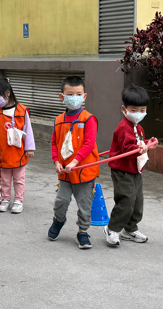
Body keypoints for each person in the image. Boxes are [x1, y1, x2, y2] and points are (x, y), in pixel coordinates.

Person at [48, 76, 98, 249]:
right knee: (61, 201)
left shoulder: (89, 119)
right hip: (65, 173)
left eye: (78, 94)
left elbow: (89, 144)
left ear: (84, 96)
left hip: (84, 172)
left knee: (84, 205)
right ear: (62, 97)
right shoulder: (58, 120)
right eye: (70, 94)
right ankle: (58, 220)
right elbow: (54, 143)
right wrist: (56, 162)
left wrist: (75, 162)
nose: (74, 97)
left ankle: (83, 232)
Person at [105, 86, 151, 247]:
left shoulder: (138, 127)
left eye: (142, 110)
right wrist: (141, 148)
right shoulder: (124, 127)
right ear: (124, 109)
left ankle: (130, 229)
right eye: (134, 110)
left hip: (135, 170)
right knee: (126, 200)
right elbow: (127, 149)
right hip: (122, 171)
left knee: (137, 202)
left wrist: (148, 144)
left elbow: (138, 143)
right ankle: (112, 228)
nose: (138, 113)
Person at [0, 78, 35, 213]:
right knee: (4, 179)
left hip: (19, 153)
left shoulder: (22, 111)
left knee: (19, 179)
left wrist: (29, 148)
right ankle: (5, 199)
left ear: (7, 93)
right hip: (3, 153)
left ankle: (18, 201)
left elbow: (28, 130)